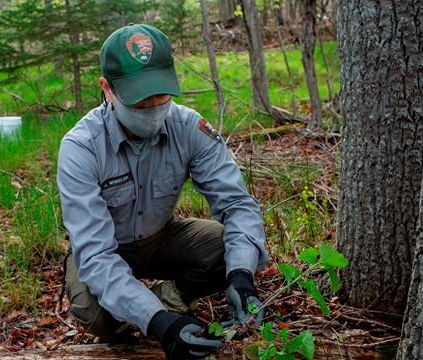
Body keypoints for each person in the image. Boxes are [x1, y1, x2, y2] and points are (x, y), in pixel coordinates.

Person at [57, 24, 269, 359]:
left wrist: (242, 277)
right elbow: (96, 255)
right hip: (107, 249)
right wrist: (159, 324)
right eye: (141, 99)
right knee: (94, 312)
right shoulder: (81, 148)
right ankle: (150, 307)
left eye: (162, 93)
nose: (155, 106)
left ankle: (168, 295)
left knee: (229, 247)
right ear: (107, 89)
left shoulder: (189, 128)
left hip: (161, 236)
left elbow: (238, 205)